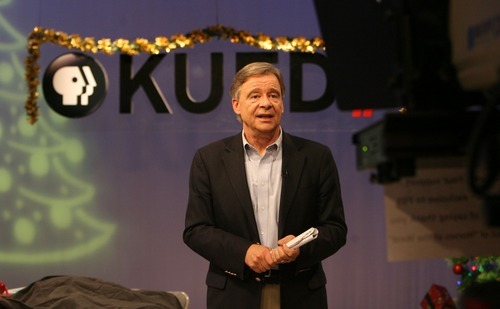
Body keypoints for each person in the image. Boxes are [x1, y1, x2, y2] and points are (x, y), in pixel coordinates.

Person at [183, 62, 347, 309]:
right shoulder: (208, 159)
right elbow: (196, 230)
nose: (266, 104)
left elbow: (335, 229)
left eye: (274, 95)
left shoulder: (316, 157)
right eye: (255, 96)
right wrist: (244, 252)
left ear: (282, 104)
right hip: (234, 294)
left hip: (300, 294)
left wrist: (300, 250)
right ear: (236, 106)